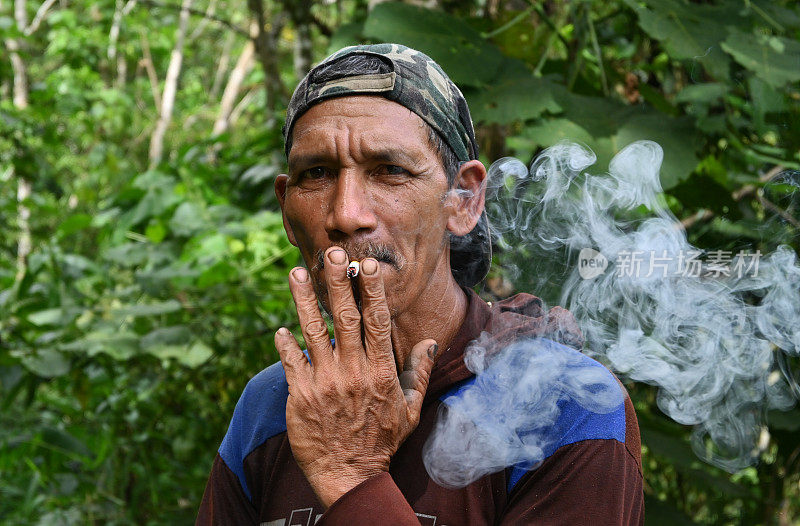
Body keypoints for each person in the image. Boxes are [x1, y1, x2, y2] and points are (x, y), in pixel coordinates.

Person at [197, 43, 643, 525]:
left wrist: (351, 473)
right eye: (318, 174)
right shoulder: (272, 404)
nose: (346, 215)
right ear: (287, 210)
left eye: (390, 171)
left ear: (464, 200)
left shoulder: (565, 405)